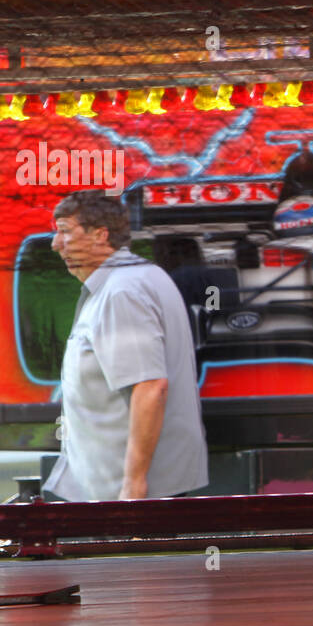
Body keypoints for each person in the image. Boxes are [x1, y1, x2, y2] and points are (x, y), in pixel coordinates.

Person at [43, 189, 209, 501]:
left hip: (129, 495)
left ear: (99, 236)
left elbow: (150, 386)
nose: (55, 244)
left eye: (65, 231)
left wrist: (133, 486)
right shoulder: (139, 277)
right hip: (121, 489)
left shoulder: (121, 292)